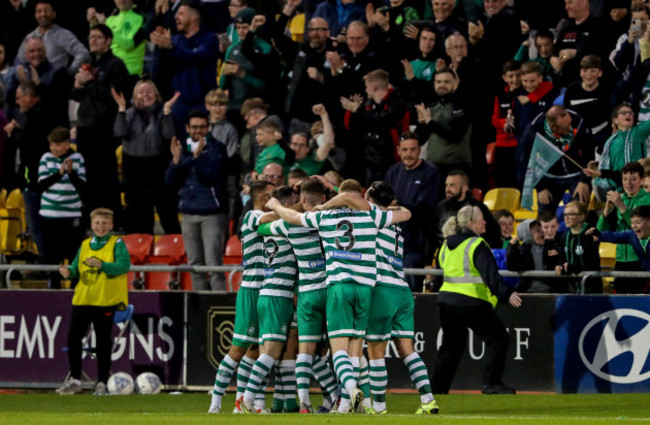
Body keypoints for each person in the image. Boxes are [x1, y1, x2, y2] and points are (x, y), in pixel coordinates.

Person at [265, 179, 413, 413]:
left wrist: (276, 206)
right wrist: (389, 208)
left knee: (339, 349)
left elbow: (293, 219)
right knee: (356, 348)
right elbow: (406, 214)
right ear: (360, 196)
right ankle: (347, 405)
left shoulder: (324, 217)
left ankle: (351, 389)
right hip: (365, 289)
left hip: (337, 286)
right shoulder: (371, 215)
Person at [256, 177, 340, 413]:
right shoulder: (327, 219)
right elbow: (349, 200)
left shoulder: (287, 225)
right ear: (323, 198)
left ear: (301, 199)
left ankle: (304, 401)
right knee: (344, 348)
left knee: (306, 349)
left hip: (306, 292)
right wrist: (331, 188)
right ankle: (342, 398)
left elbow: (261, 224)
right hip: (332, 289)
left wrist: (281, 209)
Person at [433, 204, 521, 394]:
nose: (485, 222)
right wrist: (507, 293)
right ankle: (492, 383)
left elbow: (442, 271)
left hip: (446, 301)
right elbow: (490, 274)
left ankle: (437, 389)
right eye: (482, 218)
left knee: (450, 346)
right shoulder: (476, 244)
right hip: (471, 301)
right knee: (497, 337)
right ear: (472, 223)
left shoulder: (446, 245)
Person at [208, 180, 274, 414]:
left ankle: (242, 403)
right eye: (272, 194)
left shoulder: (266, 216)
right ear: (263, 197)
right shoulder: (252, 216)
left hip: (268, 289)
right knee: (238, 348)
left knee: (258, 349)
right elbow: (275, 218)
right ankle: (215, 403)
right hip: (251, 289)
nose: (274, 199)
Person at [56, 208, 130, 396]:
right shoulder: (85, 245)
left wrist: (102, 265)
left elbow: (124, 266)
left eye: (104, 223)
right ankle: (75, 380)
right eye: (97, 223)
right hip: (83, 298)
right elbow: (76, 266)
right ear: (92, 225)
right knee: (73, 339)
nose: (100, 227)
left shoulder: (117, 243)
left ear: (111, 226)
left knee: (103, 342)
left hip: (105, 300)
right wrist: (69, 272)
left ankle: (102, 382)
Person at [71, 24, 129, 224]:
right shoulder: (89, 64)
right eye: (90, 37)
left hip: (104, 129)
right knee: (87, 176)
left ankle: (113, 220)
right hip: (85, 127)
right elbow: (77, 96)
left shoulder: (116, 65)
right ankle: (91, 219)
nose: (92, 40)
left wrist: (90, 83)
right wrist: (78, 85)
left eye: (97, 37)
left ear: (108, 41)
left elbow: (113, 98)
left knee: (105, 177)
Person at [165, 109, 228, 291]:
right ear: (187, 128)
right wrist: (176, 160)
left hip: (212, 214)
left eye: (202, 127)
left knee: (213, 264)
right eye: (194, 127)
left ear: (208, 128)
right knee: (195, 265)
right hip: (188, 213)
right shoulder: (181, 148)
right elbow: (170, 183)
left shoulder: (217, 148)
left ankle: (218, 303)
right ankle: (200, 308)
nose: (198, 131)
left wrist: (197, 157)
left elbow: (213, 176)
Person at [112, 79, 181, 235]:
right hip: (133, 167)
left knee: (166, 210)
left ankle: (176, 245)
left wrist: (167, 113)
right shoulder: (128, 113)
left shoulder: (163, 113)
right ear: (135, 95)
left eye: (149, 91)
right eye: (141, 92)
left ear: (156, 95)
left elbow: (169, 135)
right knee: (137, 212)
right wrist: (121, 109)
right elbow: (119, 132)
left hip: (158, 165)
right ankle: (137, 251)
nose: (145, 95)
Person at [150, 0, 219, 134]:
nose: (176, 17)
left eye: (181, 13)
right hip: (179, 103)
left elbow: (195, 58)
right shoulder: (175, 40)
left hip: (203, 103)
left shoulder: (209, 39)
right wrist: (161, 49)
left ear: (194, 17)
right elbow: (159, 72)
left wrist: (170, 47)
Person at [385, 131, 440, 292]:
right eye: (404, 149)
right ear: (398, 150)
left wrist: (396, 205)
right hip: (393, 243)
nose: (408, 154)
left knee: (410, 292)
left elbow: (426, 208)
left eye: (412, 149)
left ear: (419, 150)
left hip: (417, 245)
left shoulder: (430, 172)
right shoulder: (394, 171)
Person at [37, 127, 86, 290]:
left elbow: (83, 187)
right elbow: (41, 185)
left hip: (71, 214)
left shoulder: (77, 158)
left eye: (57, 145)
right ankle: (54, 287)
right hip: (49, 214)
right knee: (51, 255)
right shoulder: (46, 158)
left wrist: (71, 173)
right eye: (52, 145)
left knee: (74, 254)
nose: (54, 149)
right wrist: (59, 173)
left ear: (66, 144)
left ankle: (74, 288)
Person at [596, 161, 650, 294]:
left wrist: (621, 206)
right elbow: (600, 231)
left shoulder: (647, 200)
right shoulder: (619, 199)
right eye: (625, 179)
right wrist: (606, 211)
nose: (628, 183)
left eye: (633, 179)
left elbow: (638, 228)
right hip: (620, 259)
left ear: (641, 180)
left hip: (641, 259)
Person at [587, 104, 650, 201]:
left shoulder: (639, 132)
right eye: (624, 113)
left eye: (630, 113)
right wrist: (597, 165)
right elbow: (612, 167)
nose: (628, 115)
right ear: (615, 120)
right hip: (620, 189)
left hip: (639, 187)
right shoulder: (610, 142)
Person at [14, 0, 90, 76]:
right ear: (35, 15)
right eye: (39, 11)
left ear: (54, 14)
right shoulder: (29, 37)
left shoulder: (63, 34)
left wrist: (69, 71)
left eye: (46, 11)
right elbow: (19, 61)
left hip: (56, 83)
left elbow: (83, 53)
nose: (43, 14)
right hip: (32, 84)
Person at [507, 219, 565, 293]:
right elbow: (512, 266)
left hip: (551, 291)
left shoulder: (552, 246)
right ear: (528, 235)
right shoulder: (522, 250)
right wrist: (511, 245)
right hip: (527, 291)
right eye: (537, 230)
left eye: (541, 228)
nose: (542, 231)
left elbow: (562, 260)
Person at [556, 201, 602, 293]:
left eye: (571, 214)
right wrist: (560, 266)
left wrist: (572, 267)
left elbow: (590, 262)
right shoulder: (565, 237)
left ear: (582, 216)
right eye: (565, 214)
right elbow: (562, 258)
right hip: (572, 289)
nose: (567, 218)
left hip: (590, 289)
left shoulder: (590, 235)